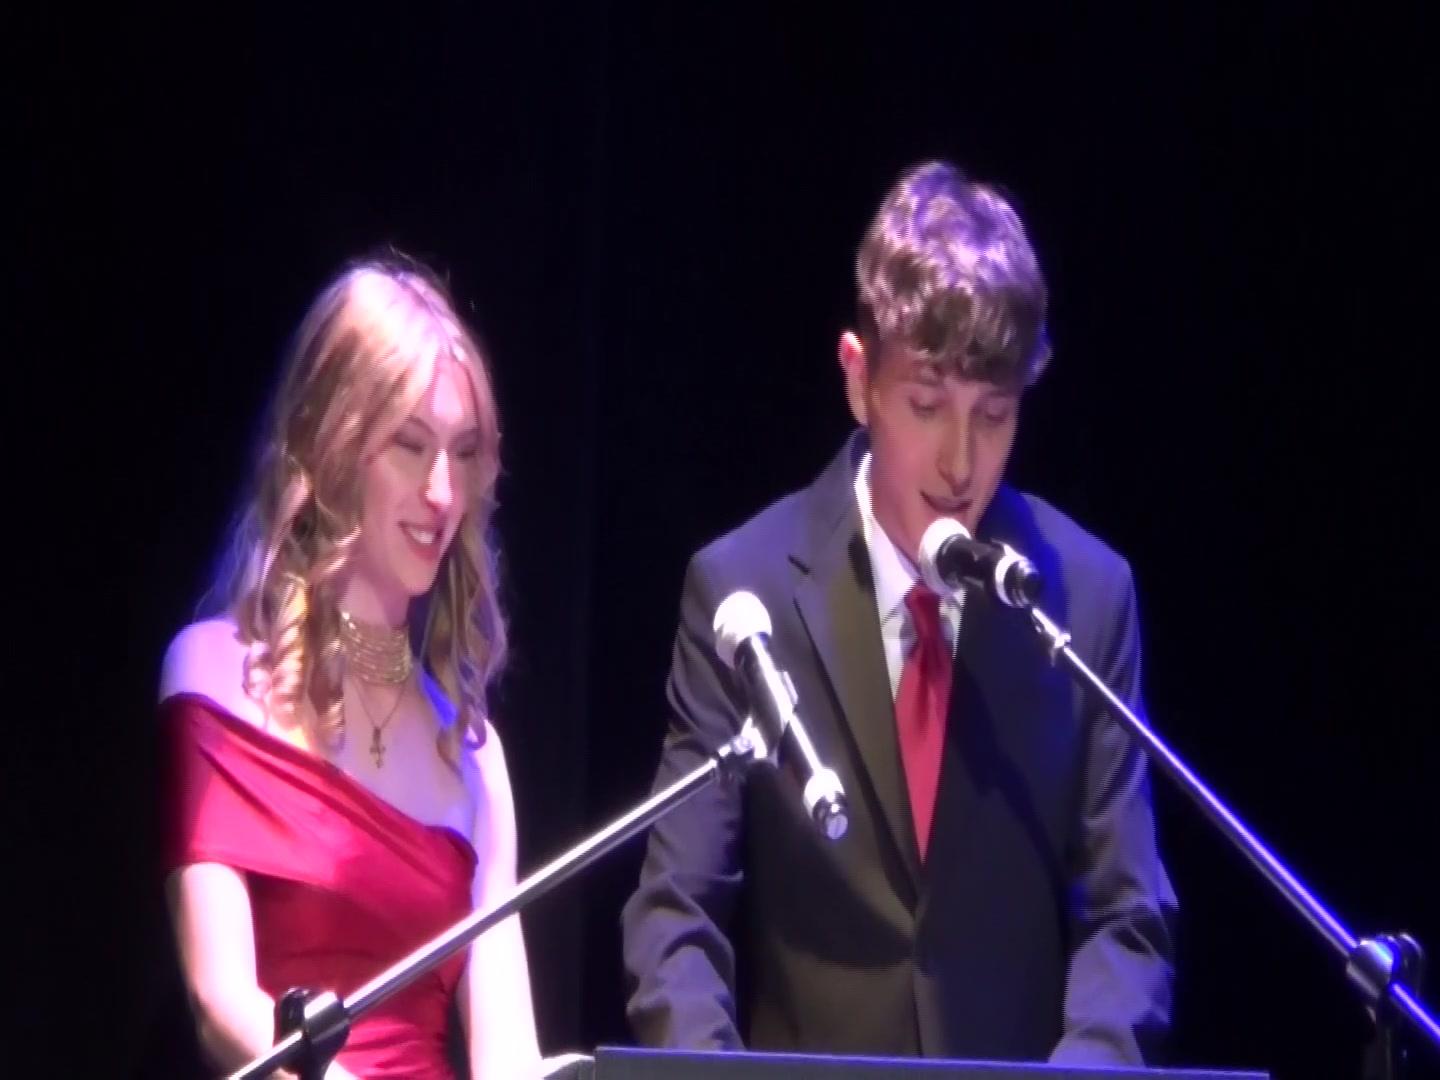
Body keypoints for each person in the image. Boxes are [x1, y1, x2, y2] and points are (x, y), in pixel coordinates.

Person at [620, 161, 1178, 1065]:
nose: (960, 463)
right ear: (859, 379)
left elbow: (1128, 917)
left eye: (993, 415)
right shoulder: (742, 592)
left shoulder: (1085, 599)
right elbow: (674, 912)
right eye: (926, 405)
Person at [158, 253, 543, 1078]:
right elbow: (219, 1001)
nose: (443, 492)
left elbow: (510, 1058)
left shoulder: (475, 758)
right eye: (410, 446)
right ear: (332, 448)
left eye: (463, 454)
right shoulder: (215, 675)